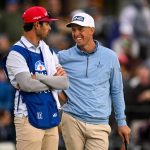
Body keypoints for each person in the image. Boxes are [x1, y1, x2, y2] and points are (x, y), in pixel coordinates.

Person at [57, 12, 131, 150]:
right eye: (73, 30)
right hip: (71, 119)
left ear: (92, 30)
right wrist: (58, 91)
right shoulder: (62, 57)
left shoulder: (110, 56)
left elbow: (116, 90)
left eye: (81, 29)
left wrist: (122, 122)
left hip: (99, 124)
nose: (76, 33)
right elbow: (45, 72)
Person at [6, 6, 69, 150]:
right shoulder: (16, 53)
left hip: (50, 113)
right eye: (46, 23)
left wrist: (39, 77)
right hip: (27, 117)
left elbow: (64, 82)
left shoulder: (48, 50)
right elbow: (27, 85)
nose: (50, 28)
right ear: (36, 24)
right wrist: (53, 81)